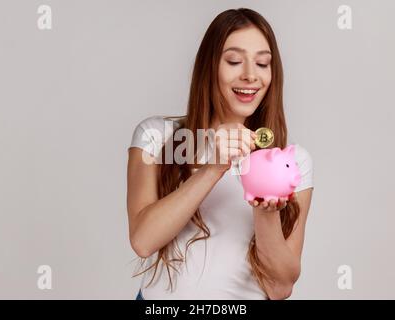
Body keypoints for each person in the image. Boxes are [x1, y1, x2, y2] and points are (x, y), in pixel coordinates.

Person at [127, 8, 314, 300]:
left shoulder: (291, 160)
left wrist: (265, 211)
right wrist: (214, 167)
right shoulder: (156, 136)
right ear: (209, 66)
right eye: (234, 61)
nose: (250, 75)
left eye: (263, 64)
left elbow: (280, 288)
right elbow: (142, 240)